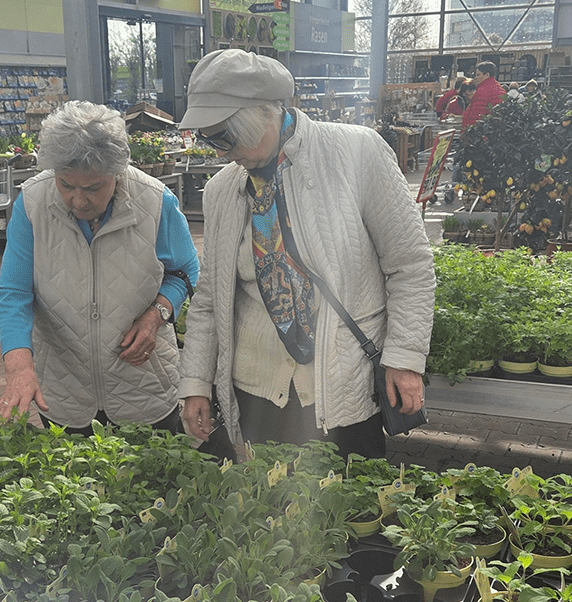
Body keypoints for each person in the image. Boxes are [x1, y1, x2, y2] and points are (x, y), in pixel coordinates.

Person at [176, 49, 435, 461]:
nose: (223, 152)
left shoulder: (356, 153)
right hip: (256, 389)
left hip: (340, 385)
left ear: (264, 113)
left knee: (354, 513)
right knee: (266, 513)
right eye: (210, 139)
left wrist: (404, 358)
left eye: (227, 136)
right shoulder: (223, 191)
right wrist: (194, 383)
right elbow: (210, 300)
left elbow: (410, 265)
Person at [0, 100, 200, 436]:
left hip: (145, 387)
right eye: (66, 185)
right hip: (65, 391)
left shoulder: (155, 200)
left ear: (116, 174)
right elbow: (14, 291)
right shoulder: (32, 203)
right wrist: (18, 367)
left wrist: (157, 315)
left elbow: (186, 270)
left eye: (92, 188)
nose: (77, 200)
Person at [462, 61, 506, 128]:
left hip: (483, 133)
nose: (476, 78)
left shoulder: (483, 91)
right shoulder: (499, 88)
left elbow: (475, 117)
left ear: (487, 75)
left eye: (478, 75)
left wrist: (466, 132)